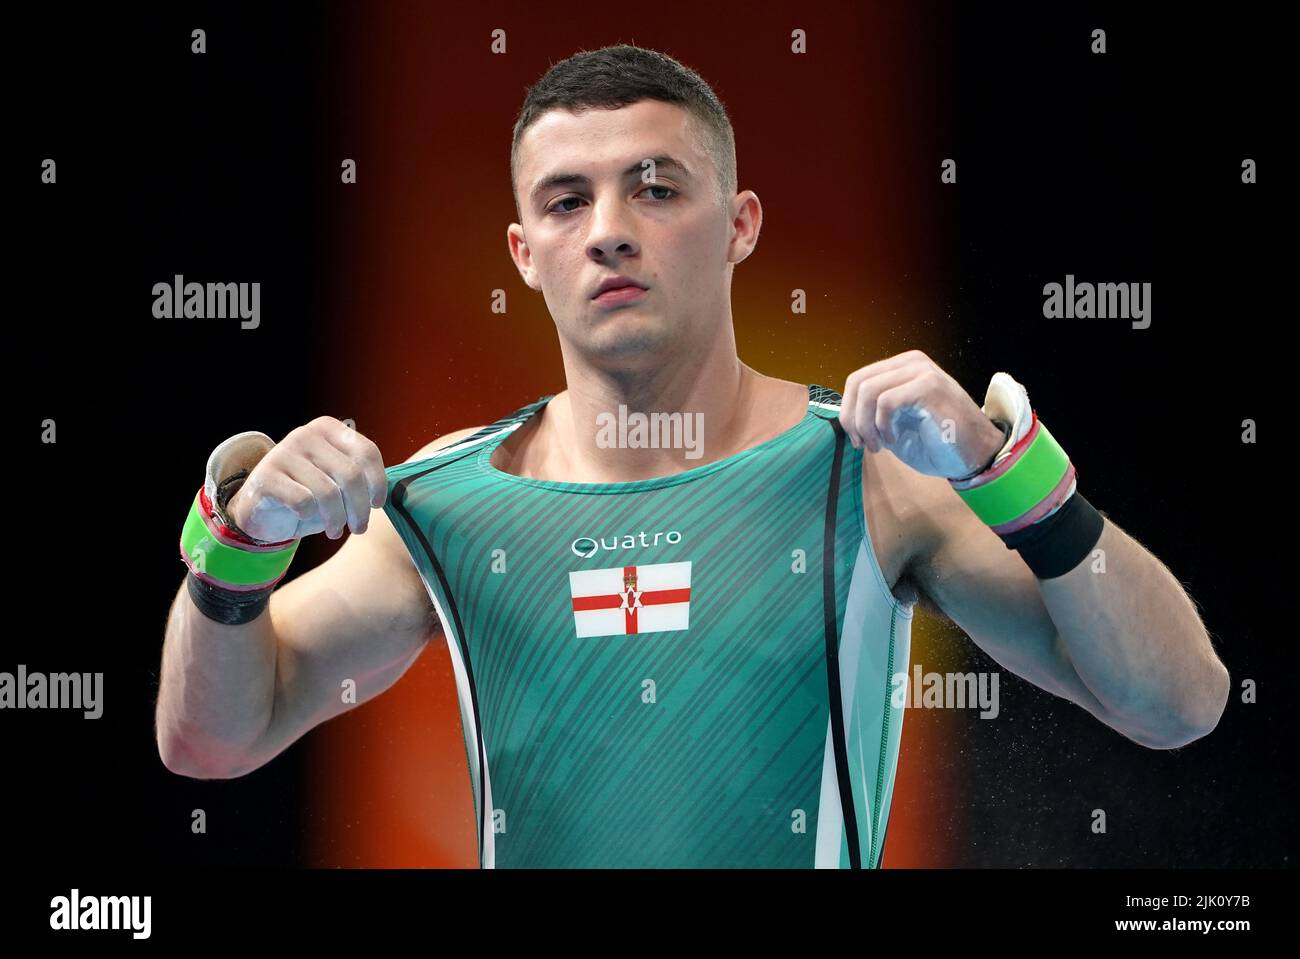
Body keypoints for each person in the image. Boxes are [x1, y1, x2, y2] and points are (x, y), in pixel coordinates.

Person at [158, 44, 1230, 868]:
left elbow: (1175, 701)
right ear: (525, 256)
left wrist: (1010, 472)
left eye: (656, 186)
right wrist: (238, 545)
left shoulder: (872, 477)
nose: (610, 229)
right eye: (567, 200)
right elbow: (210, 740)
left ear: (741, 224)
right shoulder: (447, 502)